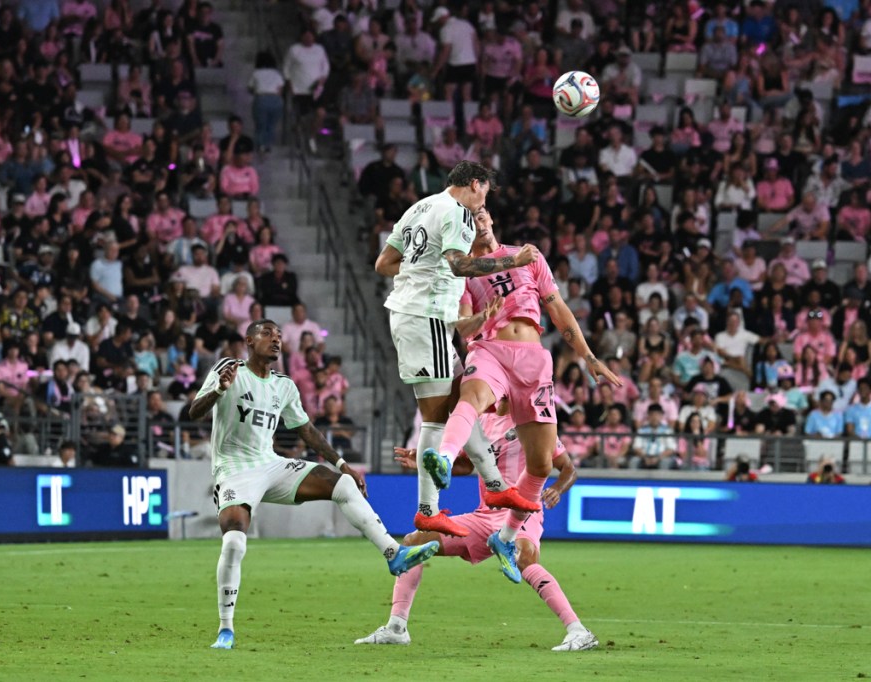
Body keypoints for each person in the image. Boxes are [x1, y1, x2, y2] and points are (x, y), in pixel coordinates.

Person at [188, 319, 439, 650]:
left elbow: (306, 429)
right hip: (234, 469)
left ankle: (393, 553)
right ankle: (226, 629)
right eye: (267, 334)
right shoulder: (229, 369)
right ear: (249, 340)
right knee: (234, 542)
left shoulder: (284, 386)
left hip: (270, 463)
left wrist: (341, 464)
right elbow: (194, 411)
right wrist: (219, 389)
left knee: (343, 485)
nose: (276, 341)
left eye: (279, 336)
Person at [426, 204, 621, 581]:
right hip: (490, 351)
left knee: (542, 465)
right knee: (471, 400)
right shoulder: (465, 270)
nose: (478, 221)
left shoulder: (529, 257)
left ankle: (507, 537)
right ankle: (444, 458)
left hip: (533, 358)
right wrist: (480, 319)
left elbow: (559, 310)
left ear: (492, 219)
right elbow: (463, 327)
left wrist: (589, 358)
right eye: (471, 218)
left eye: (482, 214)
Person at [374, 161, 541, 537]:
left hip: (421, 319)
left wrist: (419, 270)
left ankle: (496, 487)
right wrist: (512, 260)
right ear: (476, 184)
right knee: (437, 417)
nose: (484, 202)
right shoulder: (457, 214)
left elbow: (384, 263)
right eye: (485, 192)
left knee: (460, 405)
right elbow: (458, 264)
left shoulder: (420, 207)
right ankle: (427, 510)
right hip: (425, 317)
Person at [355, 408, 597, 652]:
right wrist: (420, 463)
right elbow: (463, 465)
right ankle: (397, 628)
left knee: (524, 558)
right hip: (484, 516)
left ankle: (578, 631)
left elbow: (568, 468)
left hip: (521, 511)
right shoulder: (481, 421)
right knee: (412, 542)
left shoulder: (530, 421)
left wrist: (556, 488)